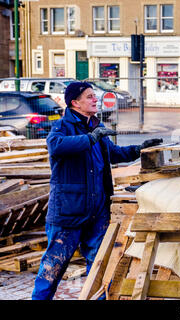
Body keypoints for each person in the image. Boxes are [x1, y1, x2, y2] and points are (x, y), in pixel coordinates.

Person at [32, 82, 162, 300]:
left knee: (101, 266)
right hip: (68, 213)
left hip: (96, 212)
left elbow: (115, 153)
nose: (95, 99)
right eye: (90, 96)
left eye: (95, 96)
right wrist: (91, 138)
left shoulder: (95, 126)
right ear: (75, 102)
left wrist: (141, 148)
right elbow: (56, 145)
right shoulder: (63, 126)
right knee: (53, 267)